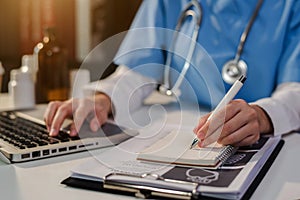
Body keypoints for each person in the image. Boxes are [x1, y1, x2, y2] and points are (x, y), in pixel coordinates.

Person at [44, 0, 300, 147]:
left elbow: (295, 89)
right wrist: (103, 98)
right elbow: (138, 69)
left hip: (254, 141)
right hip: (173, 130)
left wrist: (262, 115)